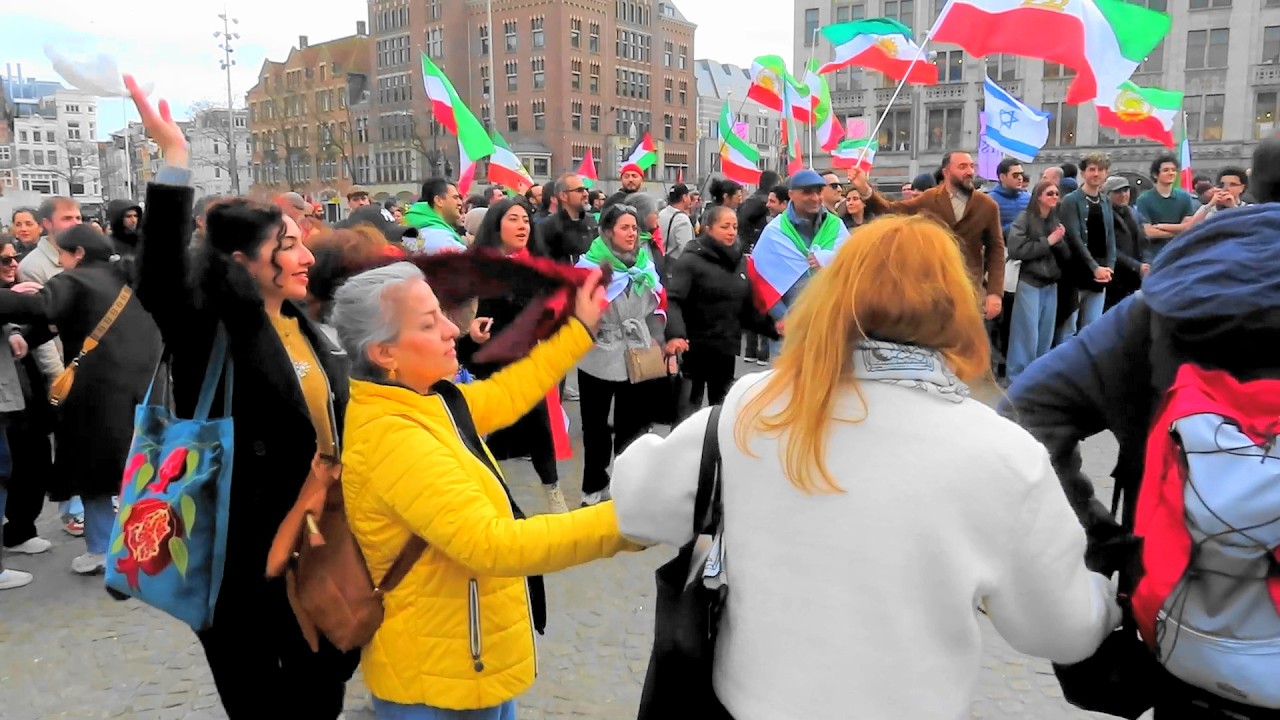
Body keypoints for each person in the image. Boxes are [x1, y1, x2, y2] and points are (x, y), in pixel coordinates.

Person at [612, 214, 1119, 720]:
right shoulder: (1002, 452)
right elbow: (1061, 628)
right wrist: (1113, 596)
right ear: (955, 307)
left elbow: (639, 506)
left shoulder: (756, 404)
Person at [998, 136, 1280, 720]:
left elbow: (1023, 417)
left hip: (1188, 646)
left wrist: (1106, 547)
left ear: (1253, 186)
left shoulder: (1170, 304)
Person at [127, 76, 359, 718]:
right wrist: (175, 161)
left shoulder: (302, 319)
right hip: (235, 545)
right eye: (287, 246)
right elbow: (160, 280)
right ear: (240, 260)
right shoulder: (210, 328)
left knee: (324, 681)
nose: (306, 255)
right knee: (260, 694)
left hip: (312, 530)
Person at [331, 260, 638, 719]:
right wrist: (636, 519)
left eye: (442, 314)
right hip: (435, 684)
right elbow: (494, 544)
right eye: (429, 323)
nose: (451, 331)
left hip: (467, 663)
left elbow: (510, 393)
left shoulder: (429, 402)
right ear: (384, 353)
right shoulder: (394, 436)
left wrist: (577, 330)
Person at [0, 227, 161, 575]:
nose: (60, 260)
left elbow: (43, 307)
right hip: (145, 387)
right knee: (141, 469)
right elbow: (69, 319)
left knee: (94, 473)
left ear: (79, 254)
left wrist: (13, 298)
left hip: (97, 394)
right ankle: (147, 542)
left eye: (64, 253)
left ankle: (102, 549)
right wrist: (29, 338)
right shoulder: (127, 276)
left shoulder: (75, 280)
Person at [458, 199, 572, 513]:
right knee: (486, 439)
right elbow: (455, 328)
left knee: (540, 427)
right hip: (485, 368)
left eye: (526, 219)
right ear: (496, 225)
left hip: (527, 364)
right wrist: (471, 336)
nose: (523, 226)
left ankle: (553, 493)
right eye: (514, 219)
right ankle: (497, 502)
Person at [573, 205, 666, 507]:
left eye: (634, 228)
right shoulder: (588, 268)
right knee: (596, 427)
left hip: (636, 352)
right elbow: (572, 311)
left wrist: (661, 339)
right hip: (598, 353)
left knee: (633, 425)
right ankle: (593, 486)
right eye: (624, 227)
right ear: (608, 231)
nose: (631, 234)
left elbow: (657, 304)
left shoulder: (644, 264)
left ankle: (626, 486)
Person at [848, 152, 1006, 320]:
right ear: (946, 172)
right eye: (962, 167)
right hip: (933, 289)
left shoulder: (987, 206)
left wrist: (994, 293)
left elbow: (996, 249)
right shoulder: (929, 199)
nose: (969, 171)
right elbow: (892, 211)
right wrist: (865, 190)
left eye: (971, 166)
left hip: (969, 290)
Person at [665, 205, 778, 418]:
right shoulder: (690, 260)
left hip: (725, 348)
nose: (731, 231)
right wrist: (675, 335)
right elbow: (674, 300)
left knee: (722, 412)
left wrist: (774, 328)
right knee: (688, 414)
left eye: (734, 226)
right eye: (724, 226)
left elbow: (746, 309)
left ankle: (716, 450)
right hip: (693, 349)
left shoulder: (739, 262)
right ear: (708, 228)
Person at [1005, 180, 1070, 381]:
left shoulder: (1054, 220)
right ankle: (1017, 378)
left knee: (1045, 336)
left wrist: (1059, 242)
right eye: (1049, 193)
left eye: (1056, 194)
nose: (1054, 197)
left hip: (1051, 283)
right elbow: (1016, 250)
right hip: (1030, 282)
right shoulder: (1025, 218)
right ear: (1039, 196)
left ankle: (1038, 378)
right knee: (1026, 335)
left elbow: (1066, 255)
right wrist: (1048, 241)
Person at [404, 178, 466, 254]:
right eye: (455, 197)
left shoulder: (417, 224)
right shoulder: (439, 237)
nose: (460, 203)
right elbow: (469, 261)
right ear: (439, 201)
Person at [658, 184, 696, 261]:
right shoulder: (682, 219)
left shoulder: (661, 214)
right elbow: (686, 250)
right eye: (688, 196)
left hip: (660, 262)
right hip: (676, 266)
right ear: (684, 198)